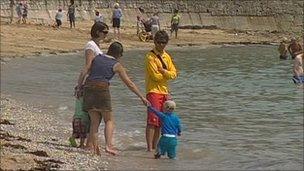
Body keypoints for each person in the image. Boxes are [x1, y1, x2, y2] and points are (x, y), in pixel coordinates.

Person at [76, 42, 149, 155]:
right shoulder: (116, 65)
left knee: (94, 121)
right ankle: (109, 146)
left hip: (88, 87)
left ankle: (93, 148)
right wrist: (142, 97)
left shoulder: (96, 58)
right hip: (102, 88)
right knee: (109, 120)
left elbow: (85, 71)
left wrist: (79, 87)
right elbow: (129, 83)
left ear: (109, 50)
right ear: (119, 54)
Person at [144, 30, 177, 152]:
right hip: (153, 91)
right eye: (159, 42)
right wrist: (166, 74)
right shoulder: (150, 56)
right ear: (155, 42)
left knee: (160, 121)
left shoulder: (166, 56)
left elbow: (174, 74)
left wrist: (163, 71)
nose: (162, 45)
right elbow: (154, 76)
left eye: (164, 42)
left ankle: (155, 146)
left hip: (164, 91)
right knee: (152, 121)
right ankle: (149, 148)